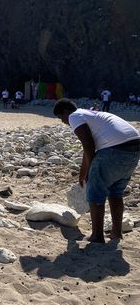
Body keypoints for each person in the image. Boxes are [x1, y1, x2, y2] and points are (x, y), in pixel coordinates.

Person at [53, 98, 140, 243]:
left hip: (115, 149)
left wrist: (90, 173)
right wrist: (82, 173)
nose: (63, 122)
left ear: (66, 111)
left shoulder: (74, 116)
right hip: (134, 149)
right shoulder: (92, 114)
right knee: (115, 192)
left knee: (95, 193)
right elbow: (87, 149)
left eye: (61, 117)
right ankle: (116, 233)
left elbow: (89, 145)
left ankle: (97, 236)